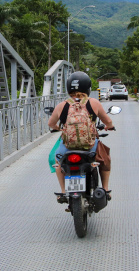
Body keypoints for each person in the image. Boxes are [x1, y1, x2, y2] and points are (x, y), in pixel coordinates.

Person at [47, 72, 115, 203]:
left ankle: (62, 192)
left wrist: (58, 128)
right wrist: (109, 126)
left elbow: (50, 124)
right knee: (105, 160)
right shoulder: (93, 103)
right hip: (90, 145)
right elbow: (108, 121)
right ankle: (105, 190)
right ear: (87, 87)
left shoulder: (62, 105)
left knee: (58, 161)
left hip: (68, 146)